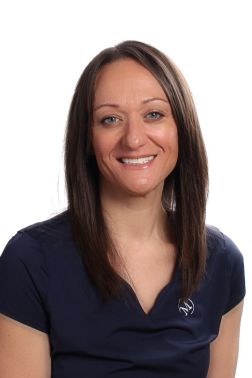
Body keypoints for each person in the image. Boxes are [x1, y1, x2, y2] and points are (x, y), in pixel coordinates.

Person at [0, 40, 245, 378]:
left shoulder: (221, 261)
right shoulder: (30, 261)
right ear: (87, 138)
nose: (133, 139)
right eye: (110, 119)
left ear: (181, 128)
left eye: (154, 114)